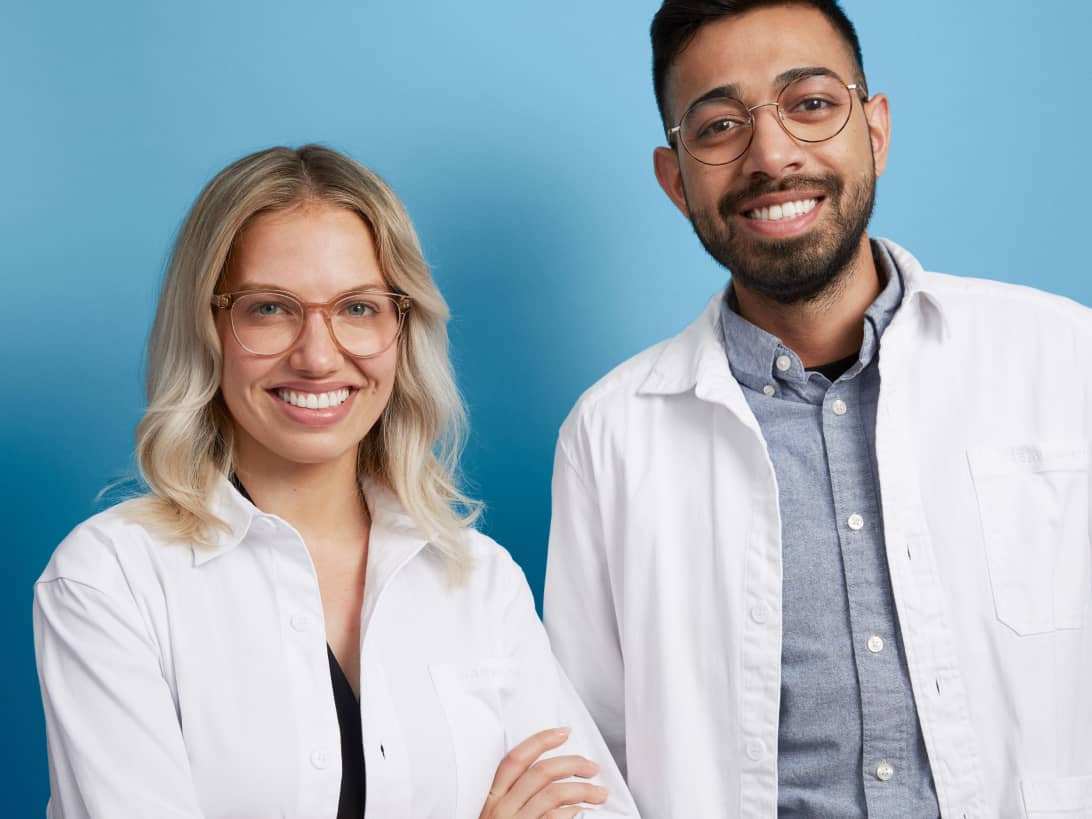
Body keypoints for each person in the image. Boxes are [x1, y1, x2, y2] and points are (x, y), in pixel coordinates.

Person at [543, 1, 1092, 816]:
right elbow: (587, 756)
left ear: (874, 129)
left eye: (809, 104)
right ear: (675, 179)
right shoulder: (612, 433)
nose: (771, 155)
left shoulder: (1064, 358)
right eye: (721, 125)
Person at [34, 145, 639, 819]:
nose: (318, 356)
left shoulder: (480, 580)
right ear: (207, 326)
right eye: (269, 308)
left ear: (402, 328)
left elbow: (597, 808)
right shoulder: (110, 581)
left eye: (357, 307)